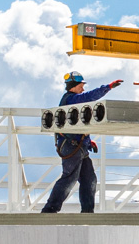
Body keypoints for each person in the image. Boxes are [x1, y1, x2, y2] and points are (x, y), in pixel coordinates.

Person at [40, 71, 123, 213]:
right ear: (73, 86)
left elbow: (77, 125)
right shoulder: (71, 99)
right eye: (81, 86)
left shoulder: (72, 101)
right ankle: (50, 209)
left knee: (89, 179)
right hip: (71, 146)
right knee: (69, 178)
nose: (82, 89)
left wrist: (88, 143)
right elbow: (89, 97)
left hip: (78, 147)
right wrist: (108, 87)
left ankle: (87, 211)